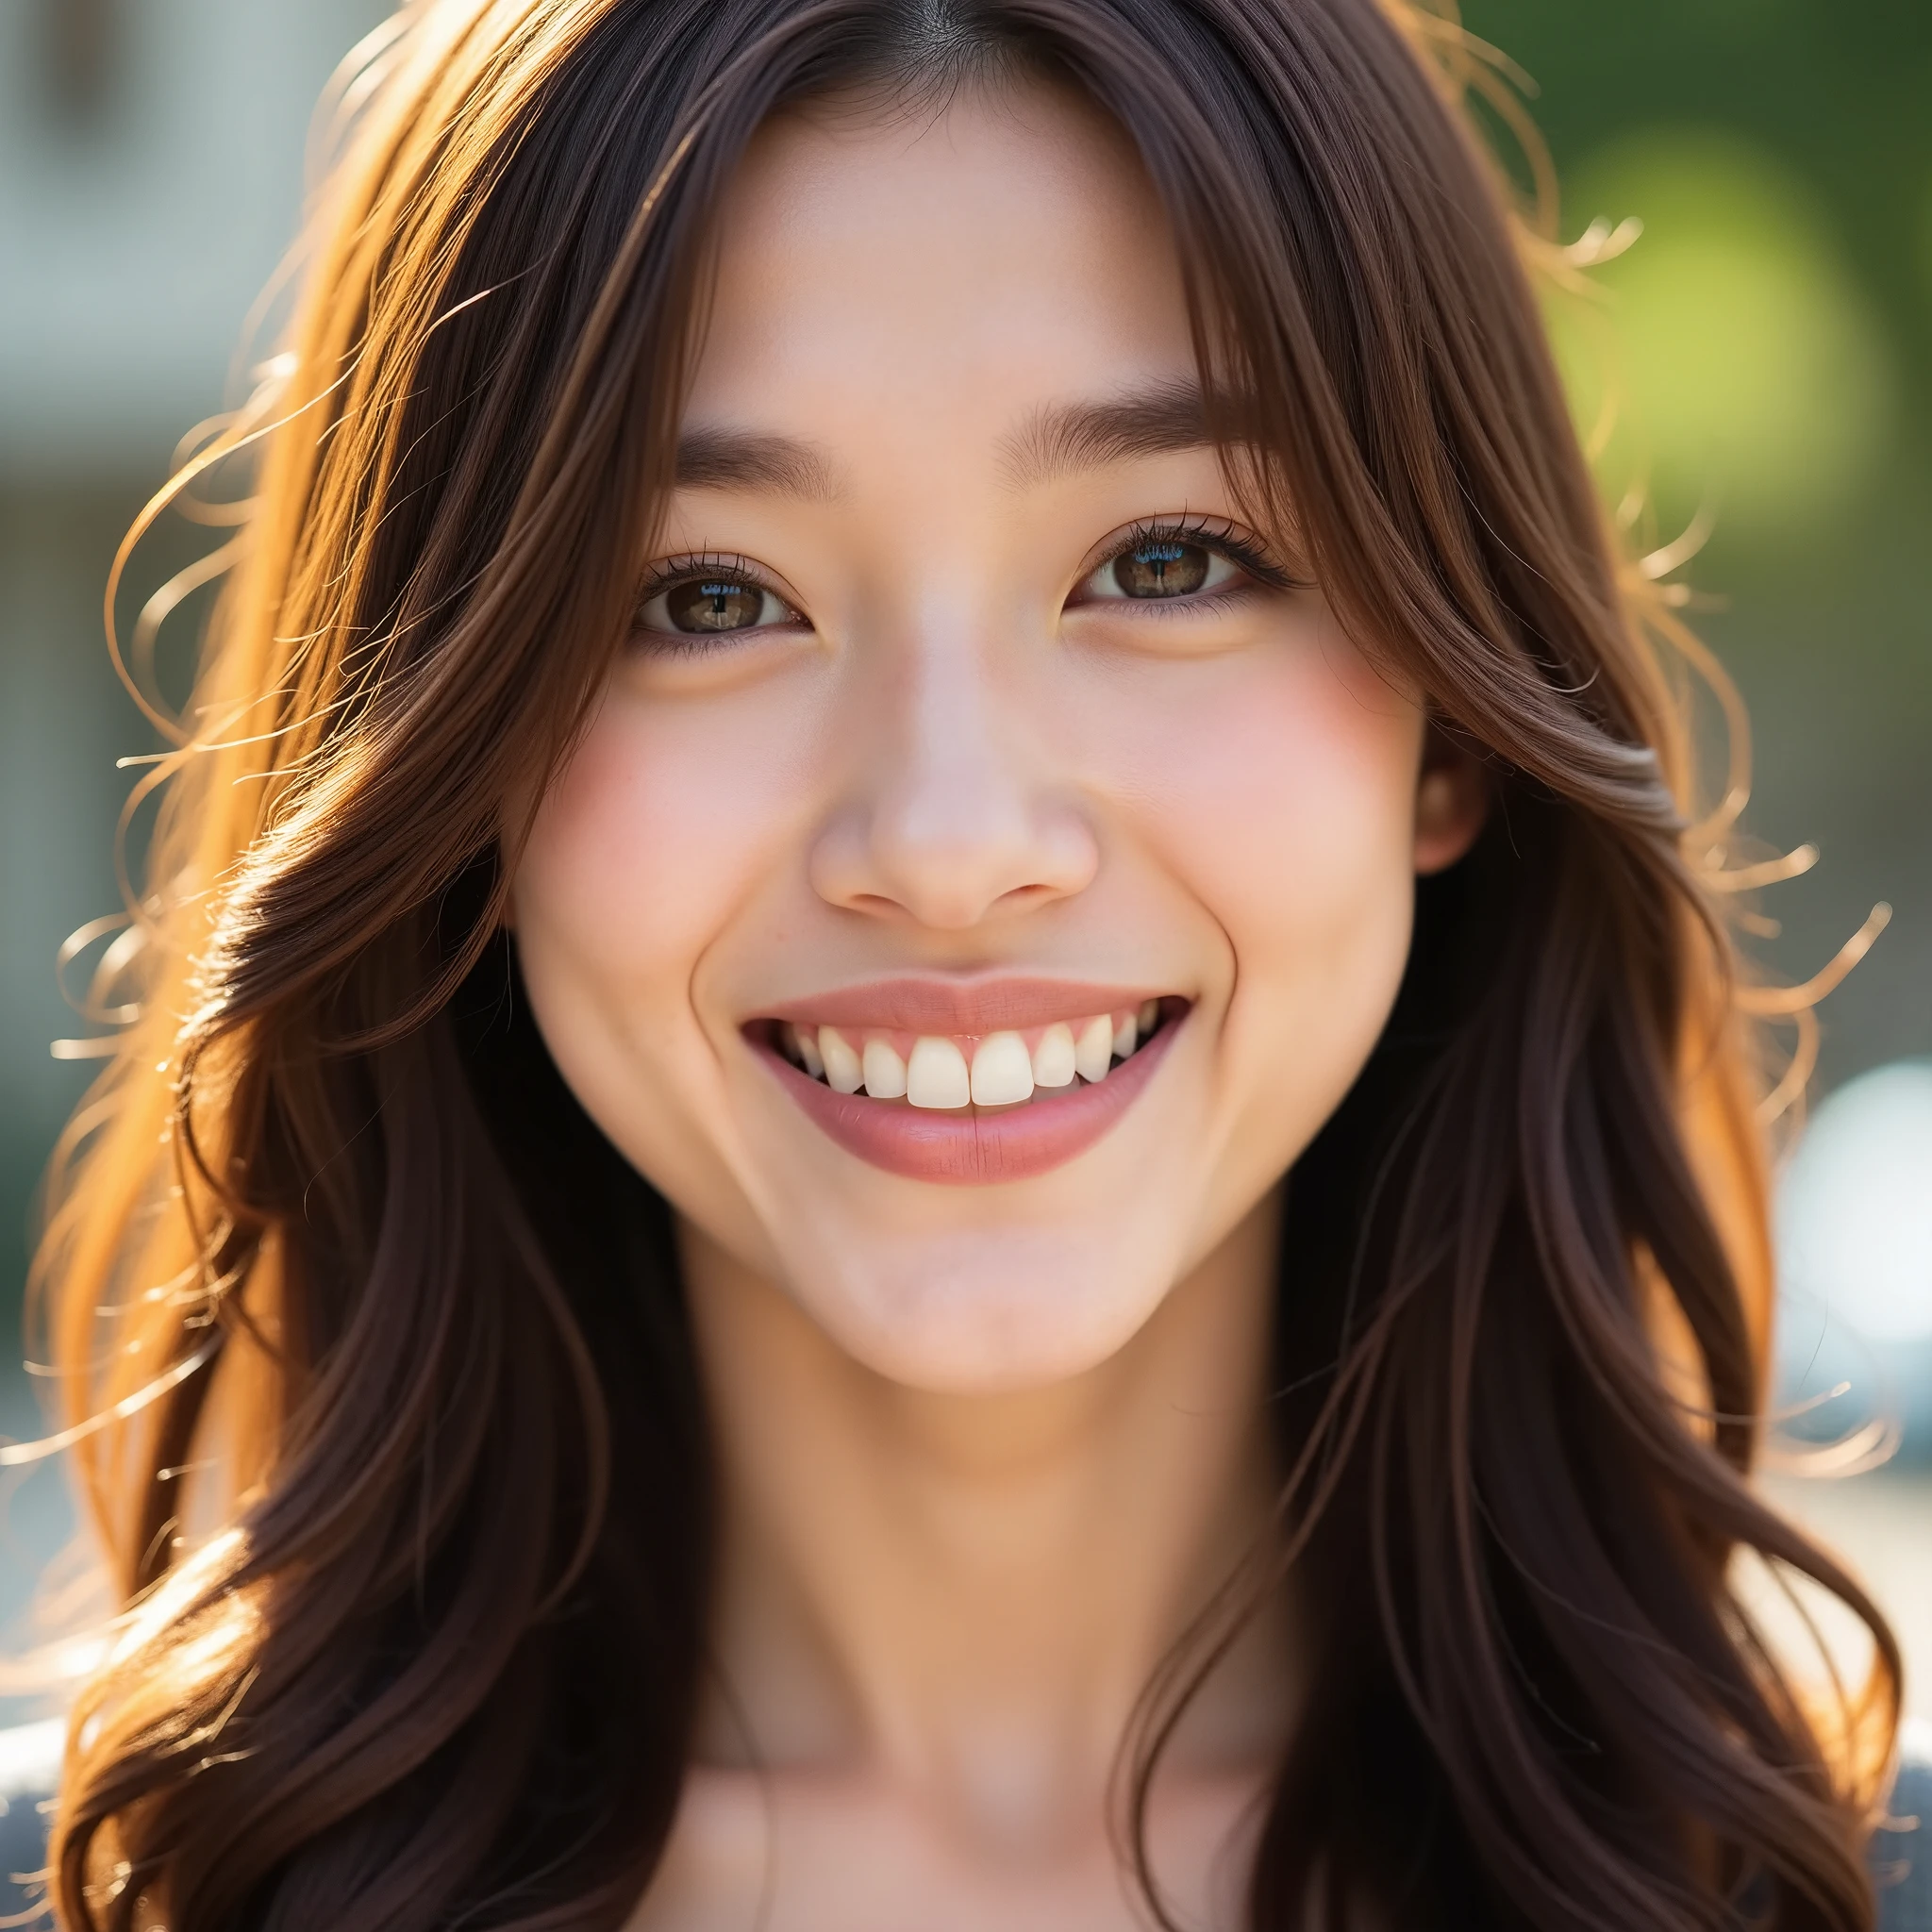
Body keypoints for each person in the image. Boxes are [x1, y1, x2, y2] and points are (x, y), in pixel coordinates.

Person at [4, 0, 1924, 1924]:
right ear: (460, 773)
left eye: (1165, 562)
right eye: (705, 597)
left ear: (1452, 727)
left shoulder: (1835, 1876)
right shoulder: (119, 1883)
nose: (944, 839)